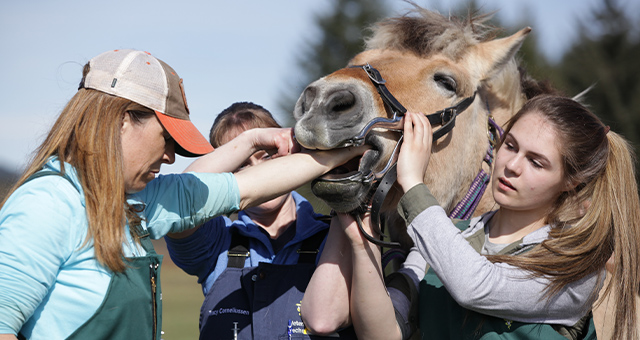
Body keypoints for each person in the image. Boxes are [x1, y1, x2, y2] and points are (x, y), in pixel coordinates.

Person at [0, 49, 365, 340]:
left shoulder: (138, 204)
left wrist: (354, 147)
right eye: (166, 139)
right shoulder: (47, 205)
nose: (170, 157)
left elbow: (246, 188)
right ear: (122, 120)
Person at [301, 95, 640, 340]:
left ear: (572, 181)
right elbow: (384, 332)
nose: (512, 165)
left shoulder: (576, 266)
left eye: (537, 162)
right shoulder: (445, 235)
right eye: (510, 145)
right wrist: (363, 243)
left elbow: (475, 286)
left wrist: (414, 184)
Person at [165, 102, 357, 339]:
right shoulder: (216, 241)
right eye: (241, 164)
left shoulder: (338, 233)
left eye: (266, 155)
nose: (257, 172)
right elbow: (177, 201)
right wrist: (253, 139)